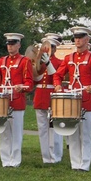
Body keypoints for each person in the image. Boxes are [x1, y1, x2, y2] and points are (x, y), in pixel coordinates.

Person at [52, 26, 91, 171]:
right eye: (75, 38)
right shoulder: (69, 58)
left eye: (80, 38)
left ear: (87, 40)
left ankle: (85, 164)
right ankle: (75, 164)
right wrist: (57, 86)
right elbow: (57, 75)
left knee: (86, 133)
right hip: (71, 99)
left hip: (86, 99)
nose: (77, 41)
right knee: (73, 133)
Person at [0, 32, 33, 167]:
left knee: (16, 132)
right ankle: (6, 160)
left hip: (17, 100)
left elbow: (29, 83)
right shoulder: (2, 60)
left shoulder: (25, 61)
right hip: (3, 100)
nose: (10, 47)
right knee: (4, 131)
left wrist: (22, 87)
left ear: (19, 45)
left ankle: (15, 160)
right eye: (8, 44)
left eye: (13, 44)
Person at [32, 33, 64, 164]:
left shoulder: (59, 62)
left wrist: (48, 63)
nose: (47, 50)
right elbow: (34, 79)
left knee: (54, 129)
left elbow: (56, 76)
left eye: (50, 47)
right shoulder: (38, 61)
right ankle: (46, 157)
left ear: (55, 49)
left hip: (52, 96)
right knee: (43, 129)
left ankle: (55, 156)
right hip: (40, 96)